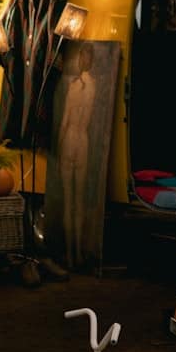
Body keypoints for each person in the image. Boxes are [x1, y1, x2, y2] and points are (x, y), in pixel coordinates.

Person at [57, 42, 97, 267]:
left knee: (69, 200)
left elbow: (64, 122)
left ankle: (71, 255)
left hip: (70, 139)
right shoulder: (94, 86)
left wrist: (59, 147)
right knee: (79, 200)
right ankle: (79, 253)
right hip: (84, 141)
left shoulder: (74, 86)